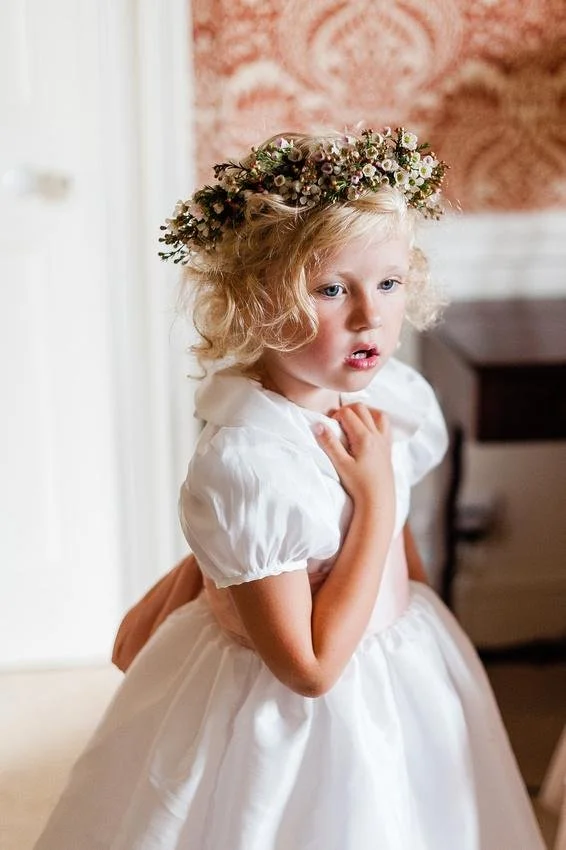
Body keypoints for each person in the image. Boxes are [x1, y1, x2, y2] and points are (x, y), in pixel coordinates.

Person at [34, 128, 545, 850]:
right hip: (299, 719)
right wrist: (375, 502)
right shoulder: (249, 460)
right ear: (257, 303)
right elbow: (309, 670)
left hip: (397, 671)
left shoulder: (388, 395)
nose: (370, 315)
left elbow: (400, 567)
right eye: (332, 289)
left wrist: (430, 639)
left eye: (390, 283)